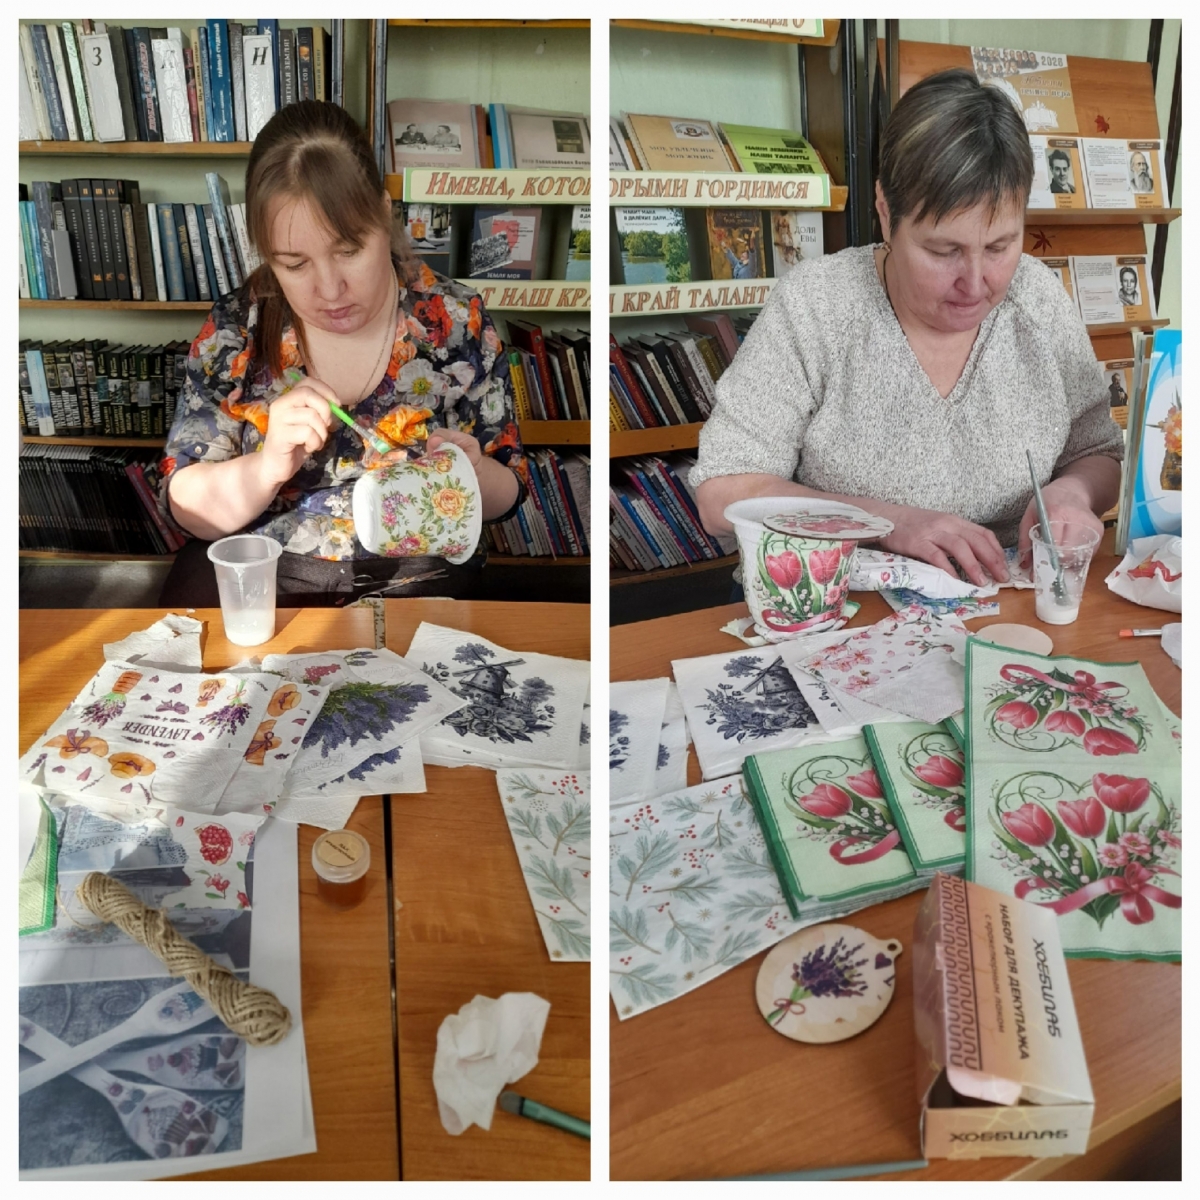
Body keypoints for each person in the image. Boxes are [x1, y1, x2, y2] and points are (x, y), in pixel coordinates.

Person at [691, 68, 1122, 589]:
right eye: (943, 251)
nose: (975, 283)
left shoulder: (1038, 300)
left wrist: (1073, 493)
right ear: (884, 212)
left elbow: (1098, 453)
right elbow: (722, 494)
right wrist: (887, 523)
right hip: (838, 604)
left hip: (1011, 600)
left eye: (1000, 246)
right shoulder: (817, 305)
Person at [157, 101, 525, 604]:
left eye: (348, 250)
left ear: (384, 213)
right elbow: (186, 509)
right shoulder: (236, 328)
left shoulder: (455, 320)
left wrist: (472, 474)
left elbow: (509, 494)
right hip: (264, 574)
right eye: (294, 264)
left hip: (417, 576)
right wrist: (266, 468)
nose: (330, 290)